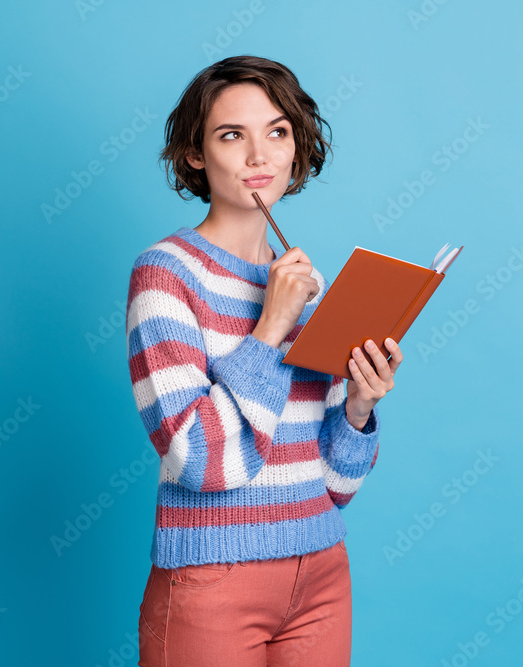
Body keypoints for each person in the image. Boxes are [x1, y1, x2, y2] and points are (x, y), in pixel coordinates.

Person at [126, 55, 403, 666]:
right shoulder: (165, 274)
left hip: (323, 576)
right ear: (196, 154)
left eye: (278, 132)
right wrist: (271, 327)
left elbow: (334, 485)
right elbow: (197, 459)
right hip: (212, 574)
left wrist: (358, 408)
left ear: (296, 148)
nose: (260, 156)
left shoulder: (303, 287)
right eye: (232, 135)